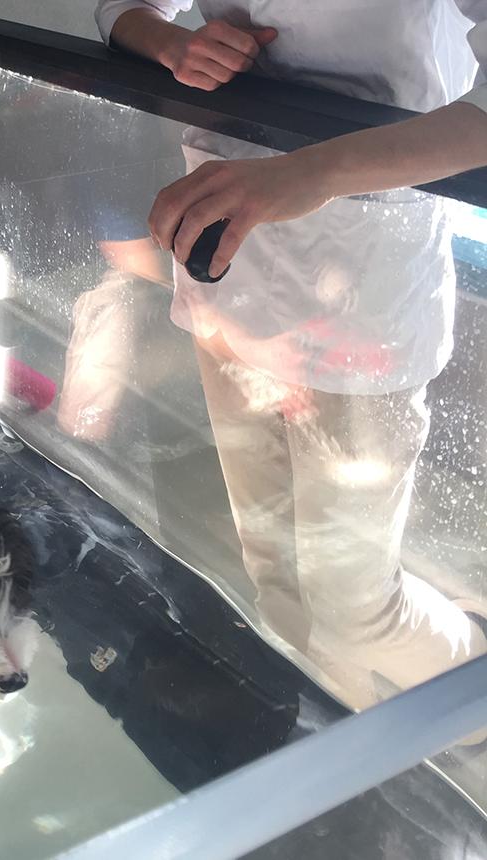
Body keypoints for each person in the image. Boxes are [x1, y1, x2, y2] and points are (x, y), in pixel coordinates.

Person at [95, 0, 487, 711]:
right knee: (269, 563)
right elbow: (122, 9)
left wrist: (319, 172)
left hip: (362, 288)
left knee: (355, 601)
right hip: (230, 269)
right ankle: (332, 751)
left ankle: (466, 722)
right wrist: (173, 45)